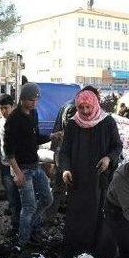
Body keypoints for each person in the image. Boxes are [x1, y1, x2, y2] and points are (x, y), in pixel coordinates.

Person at [60, 89, 122, 258]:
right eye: (81, 108)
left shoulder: (107, 122)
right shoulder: (73, 124)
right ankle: (74, 255)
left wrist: (109, 158)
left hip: (99, 179)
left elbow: (117, 146)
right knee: (76, 217)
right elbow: (64, 151)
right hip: (77, 180)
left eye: (88, 107)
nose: (86, 111)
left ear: (95, 104)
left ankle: (99, 256)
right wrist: (65, 169)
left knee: (99, 215)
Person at [4, 82, 57, 247]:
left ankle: (34, 227)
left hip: (35, 165)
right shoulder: (13, 120)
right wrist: (17, 173)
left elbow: (35, 138)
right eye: (31, 100)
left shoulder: (33, 114)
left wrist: (52, 136)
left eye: (36, 99)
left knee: (47, 199)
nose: (34, 103)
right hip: (23, 170)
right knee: (28, 207)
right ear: (22, 99)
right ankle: (23, 243)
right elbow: (8, 151)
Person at [48, 85, 100, 219]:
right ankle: (48, 218)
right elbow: (69, 132)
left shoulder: (70, 104)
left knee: (62, 186)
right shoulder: (73, 108)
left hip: (62, 151)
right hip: (67, 153)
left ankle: (57, 214)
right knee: (62, 187)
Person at [0, 94, 21, 236]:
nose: (4, 111)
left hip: (21, 167)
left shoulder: (20, 121)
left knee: (26, 199)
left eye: (6, 108)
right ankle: (15, 228)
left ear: (13, 106)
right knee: (12, 199)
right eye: (1, 108)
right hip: (6, 167)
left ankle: (28, 227)